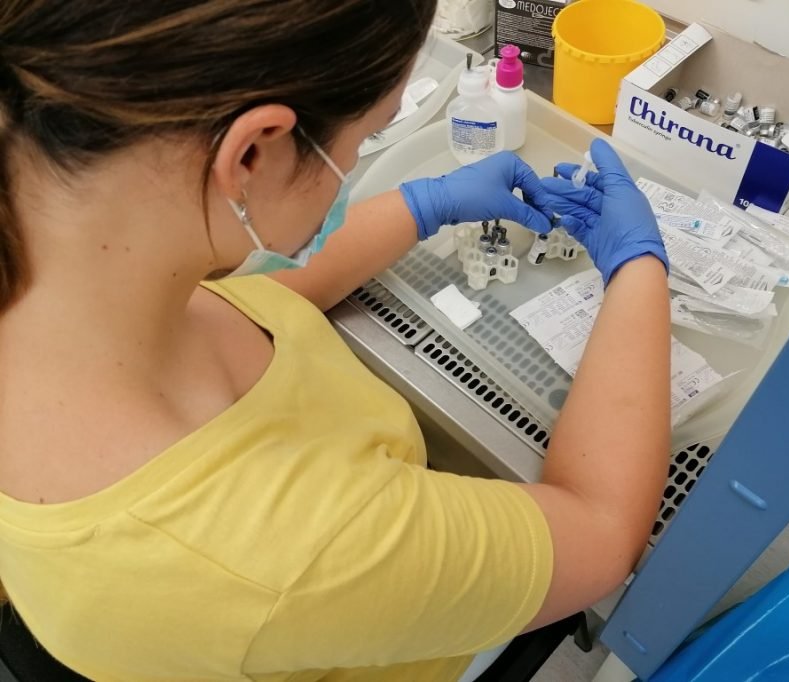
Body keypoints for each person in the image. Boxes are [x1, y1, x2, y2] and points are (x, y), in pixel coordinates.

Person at [0, 1, 670, 680]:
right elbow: (602, 533)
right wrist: (639, 266)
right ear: (253, 151)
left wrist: (425, 204)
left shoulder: (66, 260)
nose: (355, 165)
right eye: (366, 137)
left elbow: (253, 299)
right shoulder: (292, 548)